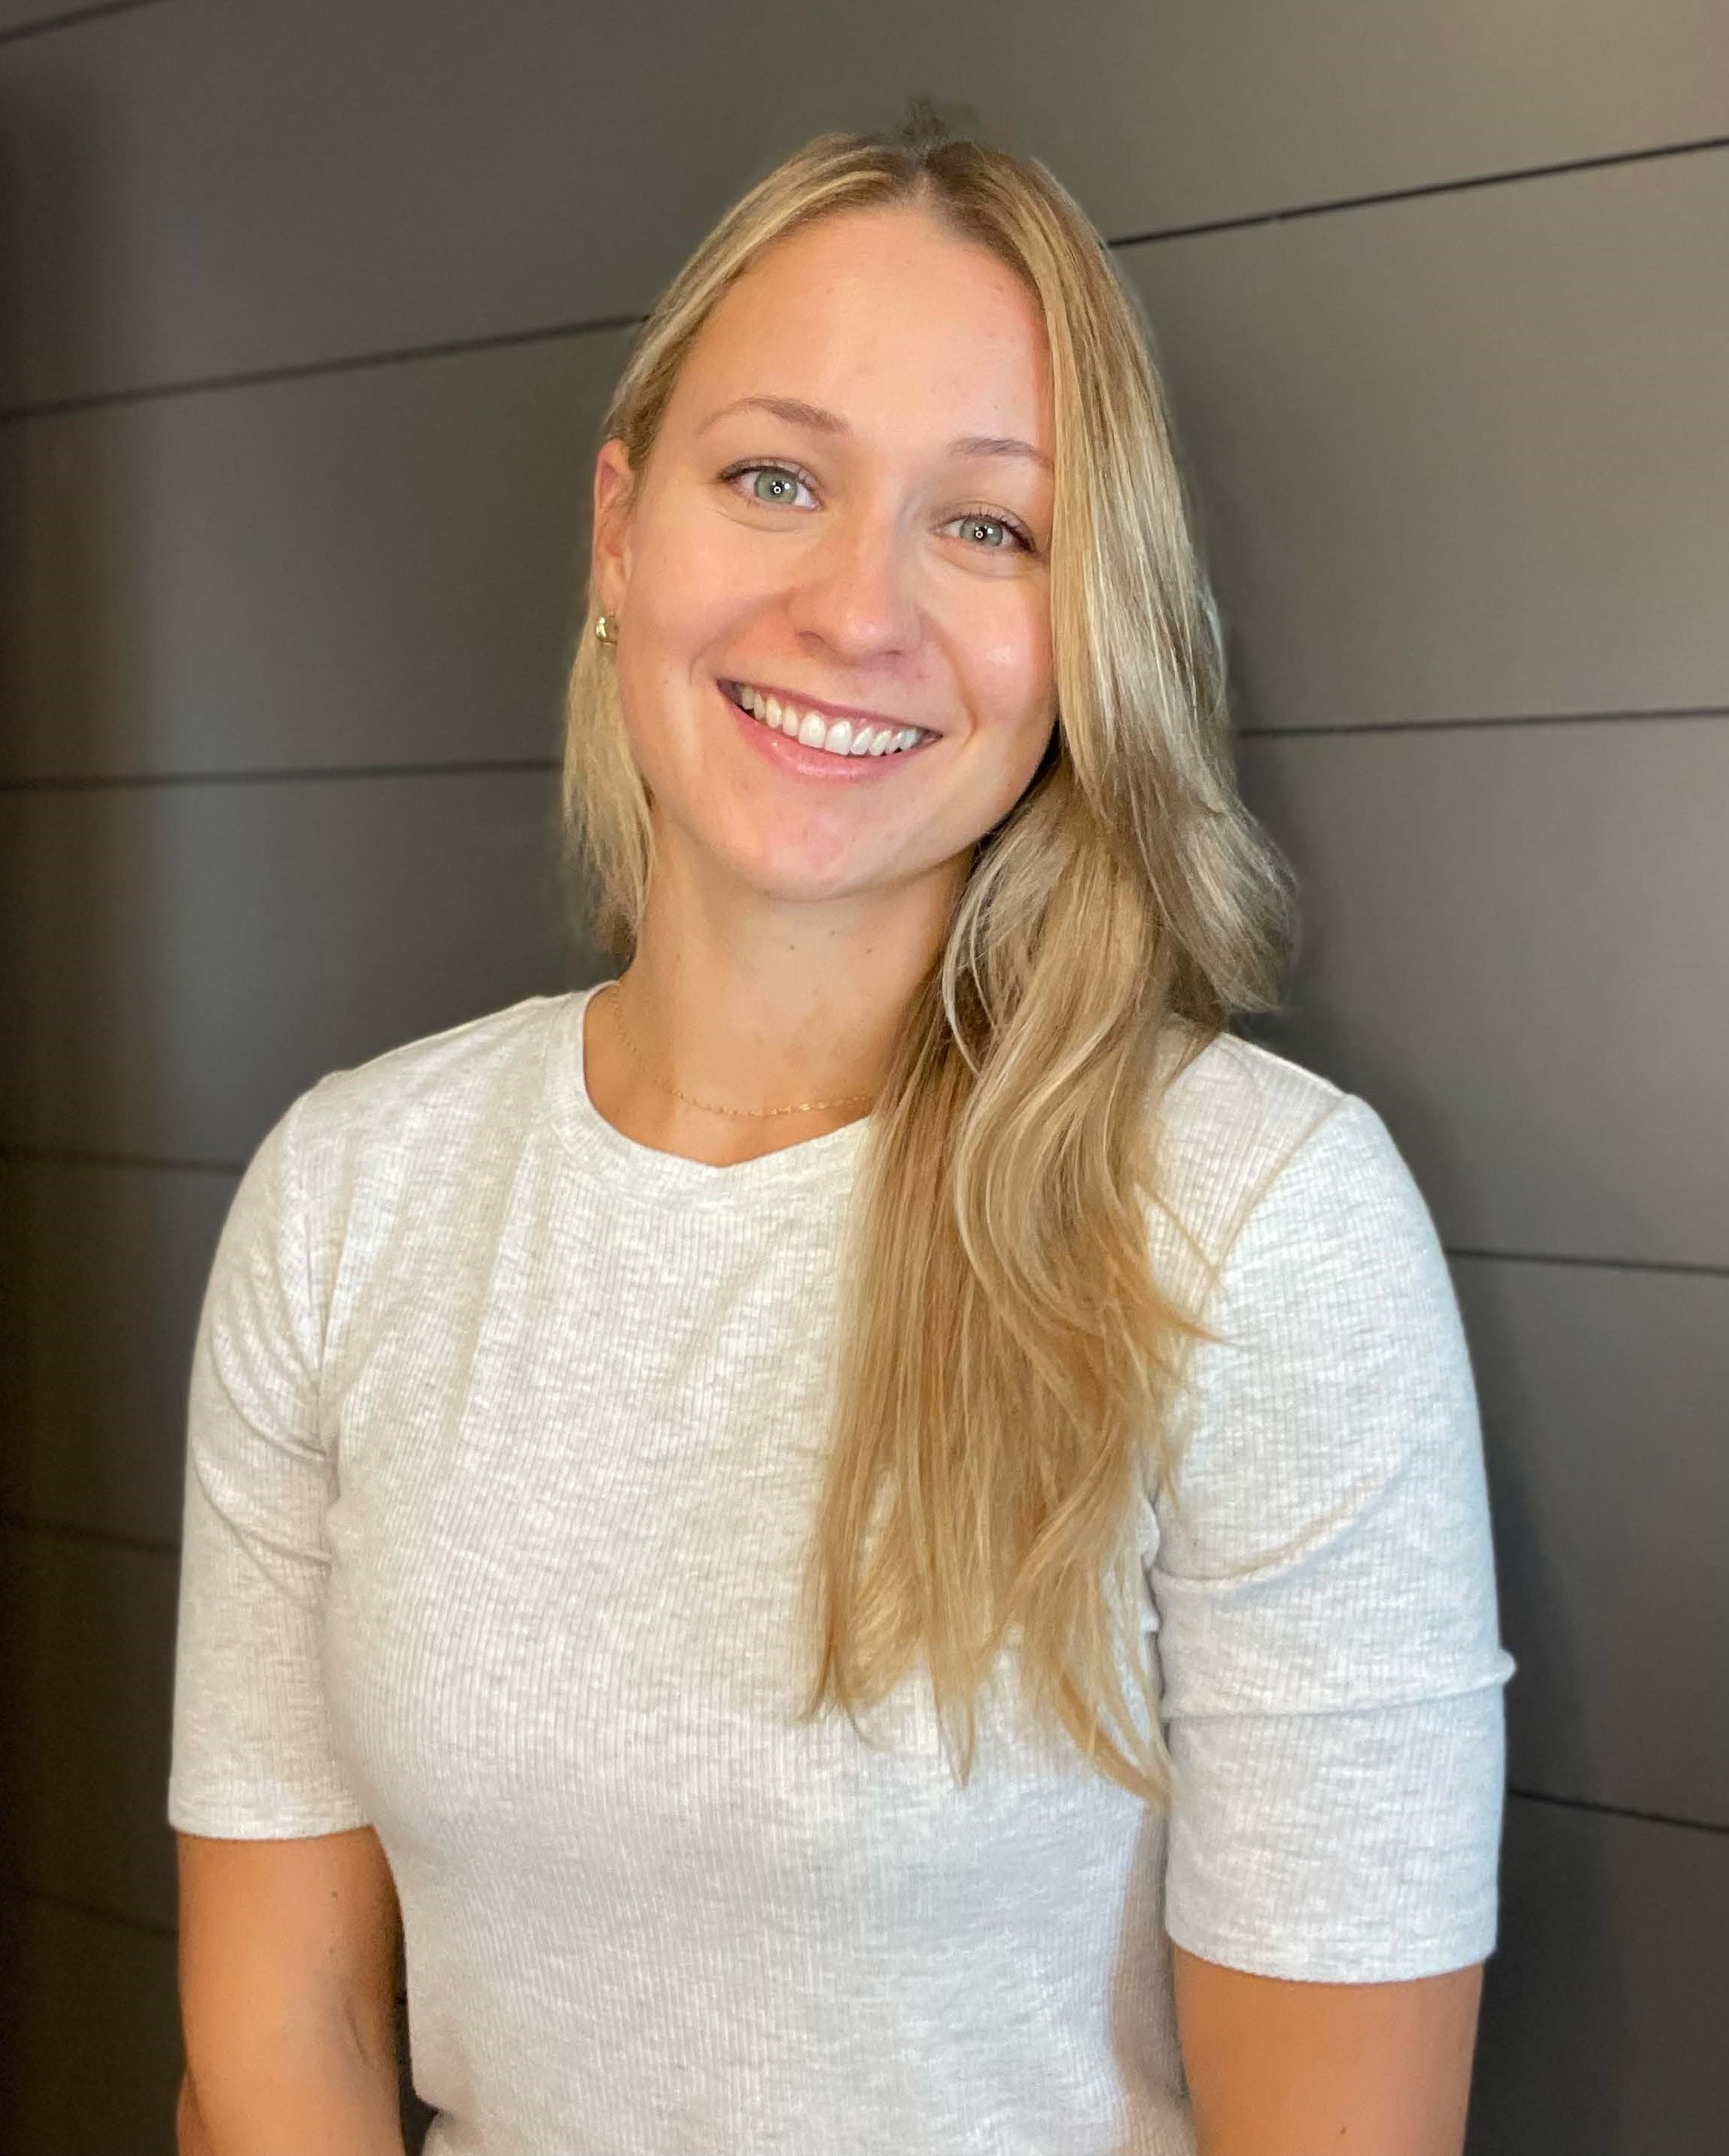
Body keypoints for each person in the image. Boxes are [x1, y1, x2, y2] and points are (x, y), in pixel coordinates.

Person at [169, 107, 1514, 2156]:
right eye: (773, 476)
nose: (853, 607)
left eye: (986, 525)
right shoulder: (348, 1196)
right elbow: (280, 2046)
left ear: (1083, 629)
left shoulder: (1258, 1225)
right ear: (619, 531)